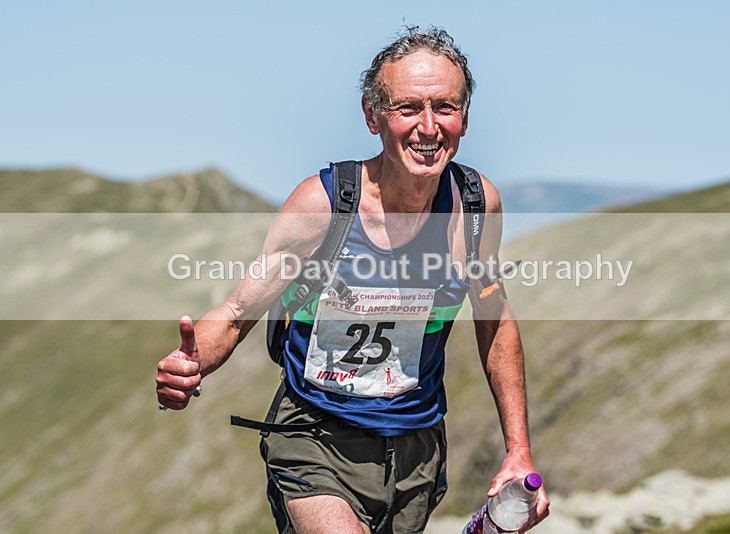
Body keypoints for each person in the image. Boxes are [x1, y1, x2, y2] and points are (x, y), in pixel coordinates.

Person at [155, 26, 550, 533]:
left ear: (465, 118)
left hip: (414, 451)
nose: (428, 127)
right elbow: (236, 312)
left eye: (445, 107)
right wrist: (191, 364)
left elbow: (495, 323)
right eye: (408, 108)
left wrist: (519, 450)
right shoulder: (323, 205)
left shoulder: (476, 207)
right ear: (372, 116)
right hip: (312, 436)